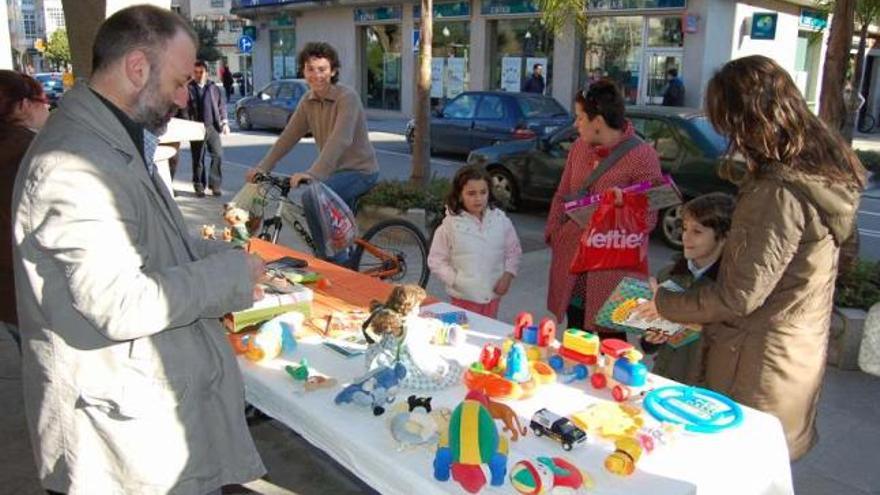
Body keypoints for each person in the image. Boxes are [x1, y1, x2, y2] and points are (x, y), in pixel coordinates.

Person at [11, 6, 267, 493]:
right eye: (176, 81)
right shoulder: (74, 164)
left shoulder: (113, 139)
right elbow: (118, 303)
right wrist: (229, 279)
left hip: (133, 412)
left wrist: (223, 257)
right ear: (137, 68)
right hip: (114, 442)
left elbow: (152, 240)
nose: (184, 96)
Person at [634, 55, 866, 460]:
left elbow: (738, 297)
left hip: (756, 366)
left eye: (728, 125)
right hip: (795, 356)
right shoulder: (825, 176)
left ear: (749, 122)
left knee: (735, 469)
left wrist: (664, 304)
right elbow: (843, 256)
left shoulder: (777, 191)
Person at [545, 80, 663, 339]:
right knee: (574, 339)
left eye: (579, 117)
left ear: (597, 121)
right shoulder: (579, 147)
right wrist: (554, 232)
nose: (575, 124)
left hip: (610, 271)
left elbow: (648, 218)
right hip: (574, 265)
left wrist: (621, 207)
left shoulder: (643, 156)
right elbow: (563, 194)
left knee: (610, 347)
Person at [246, 42, 379, 211]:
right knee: (325, 220)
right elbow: (288, 137)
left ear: (333, 71)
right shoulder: (308, 101)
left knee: (313, 199)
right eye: (310, 69)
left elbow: (340, 139)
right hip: (333, 173)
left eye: (322, 69)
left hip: (360, 171)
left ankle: (328, 239)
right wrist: (263, 167)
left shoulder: (347, 98)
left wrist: (313, 173)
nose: (316, 75)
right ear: (303, 71)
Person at [639, 193, 735, 384]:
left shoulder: (730, 290)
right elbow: (648, 343)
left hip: (705, 390)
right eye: (684, 228)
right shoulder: (669, 275)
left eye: (697, 232)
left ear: (724, 237)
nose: (685, 237)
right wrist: (650, 338)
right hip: (664, 380)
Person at [428, 166, 522, 318]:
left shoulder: (501, 221)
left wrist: (508, 276)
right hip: (464, 299)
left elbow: (514, 251)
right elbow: (436, 260)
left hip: (493, 296)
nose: (478, 198)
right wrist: (456, 280)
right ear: (460, 195)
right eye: (471, 193)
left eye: (483, 192)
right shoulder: (449, 226)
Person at [0, 71, 50, 350]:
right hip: (29, 282)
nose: (47, 108)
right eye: (42, 101)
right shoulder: (30, 154)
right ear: (23, 106)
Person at [187, 59, 230, 197]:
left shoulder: (213, 87)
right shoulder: (188, 88)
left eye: (201, 72)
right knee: (198, 158)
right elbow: (183, 108)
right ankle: (199, 186)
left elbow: (221, 105)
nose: (199, 75)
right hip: (195, 127)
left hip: (212, 126)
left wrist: (225, 123)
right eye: (196, 72)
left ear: (206, 73)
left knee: (217, 155)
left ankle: (215, 185)